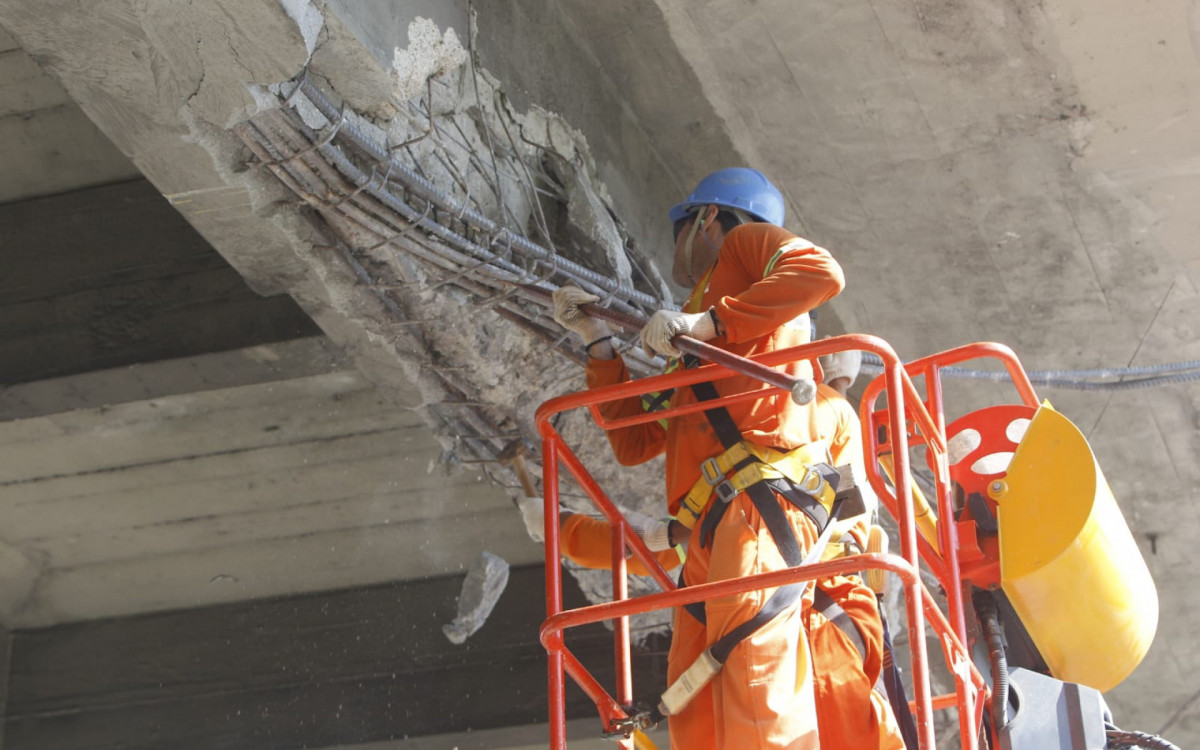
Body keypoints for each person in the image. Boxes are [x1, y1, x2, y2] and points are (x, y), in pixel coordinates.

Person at [550, 167, 900, 749]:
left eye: (684, 228)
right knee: (700, 711)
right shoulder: (694, 349)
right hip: (712, 530)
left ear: (708, 216)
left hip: (755, 512)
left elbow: (821, 272)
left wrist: (707, 322)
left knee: (756, 684)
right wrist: (597, 341)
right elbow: (633, 439)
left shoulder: (745, 249)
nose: (679, 249)